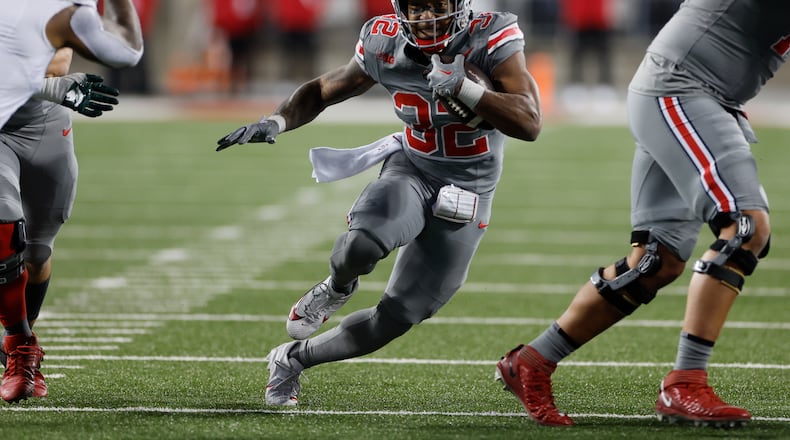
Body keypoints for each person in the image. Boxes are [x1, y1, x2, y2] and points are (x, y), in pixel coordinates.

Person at [216, 0, 541, 407]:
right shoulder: (383, 41)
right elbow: (321, 89)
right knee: (361, 244)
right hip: (413, 168)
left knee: (399, 316)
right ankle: (335, 287)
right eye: (416, 7)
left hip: (470, 191)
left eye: (435, 5)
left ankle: (291, 360)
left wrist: (465, 88)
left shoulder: (489, 36)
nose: (425, 17)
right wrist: (276, 121)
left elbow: (530, 121)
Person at [496, 0, 786, 427]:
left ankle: (532, 361)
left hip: (689, 92)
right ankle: (685, 383)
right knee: (745, 228)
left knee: (656, 260)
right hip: (683, 88)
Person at [0, 0, 143, 403]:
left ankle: (20, 340)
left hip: (46, 125)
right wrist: (50, 85)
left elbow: (122, 53)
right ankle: (20, 345)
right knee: (4, 230)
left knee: (37, 252)